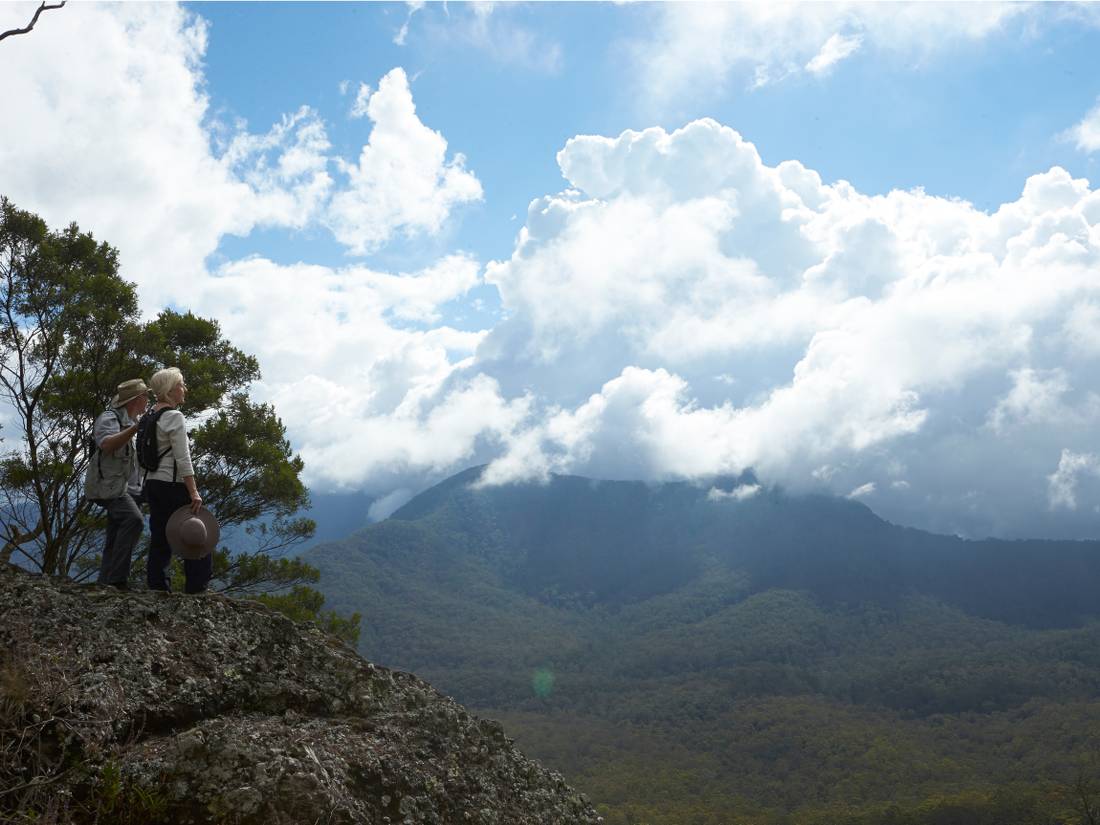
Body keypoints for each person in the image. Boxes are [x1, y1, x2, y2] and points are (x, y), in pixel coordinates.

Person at [144, 367, 210, 594]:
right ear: (171, 390)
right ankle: (197, 587)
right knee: (197, 531)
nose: (185, 389)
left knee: (160, 535)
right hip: (172, 484)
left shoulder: (148, 417)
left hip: (152, 484)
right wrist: (193, 492)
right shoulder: (174, 417)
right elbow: (183, 458)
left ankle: (158, 586)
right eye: (181, 385)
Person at [84, 378, 150, 588]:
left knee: (115, 534)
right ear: (136, 400)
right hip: (112, 488)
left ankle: (105, 582)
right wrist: (137, 428)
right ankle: (118, 580)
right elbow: (106, 444)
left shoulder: (129, 422)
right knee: (134, 520)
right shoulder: (109, 418)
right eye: (145, 396)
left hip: (129, 489)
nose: (147, 400)